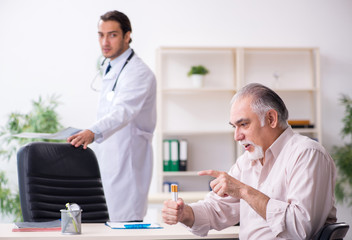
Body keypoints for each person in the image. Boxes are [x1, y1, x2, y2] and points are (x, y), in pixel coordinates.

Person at [162, 83, 337, 239]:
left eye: (244, 124)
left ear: (271, 119)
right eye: (234, 127)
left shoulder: (307, 154)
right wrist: (185, 213)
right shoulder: (247, 161)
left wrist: (243, 191)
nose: (237, 136)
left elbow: (300, 228)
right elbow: (217, 209)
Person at [67, 10, 156, 222]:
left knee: (125, 224)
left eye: (113, 35)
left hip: (129, 162)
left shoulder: (138, 72)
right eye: (101, 34)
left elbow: (122, 112)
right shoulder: (111, 66)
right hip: (108, 159)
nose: (105, 42)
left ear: (127, 36)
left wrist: (92, 131)